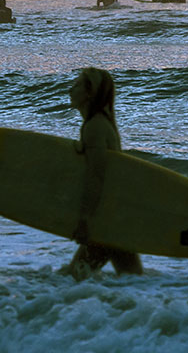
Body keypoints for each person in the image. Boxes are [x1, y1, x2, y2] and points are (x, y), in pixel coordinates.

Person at [65, 67, 143, 280]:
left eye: (76, 85)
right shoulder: (99, 124)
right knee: (133, 280)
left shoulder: (95, 127)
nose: (70, 90)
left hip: (107, 221)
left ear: (89, 93)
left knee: (73, 279)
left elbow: (97, 177)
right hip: (117, 218)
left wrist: (84, 219)